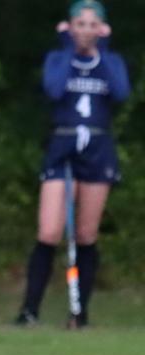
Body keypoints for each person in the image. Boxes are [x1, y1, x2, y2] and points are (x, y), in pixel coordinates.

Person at [14, 0, 128, 328]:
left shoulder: (111, 61)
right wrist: (67, 48)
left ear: (102, 29)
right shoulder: (58, 59)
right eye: (80, 24)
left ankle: (80, 313)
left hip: (98, 146)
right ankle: (29, 311)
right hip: (63, 144)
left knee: (86, 233)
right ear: (70, 27)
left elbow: (120, 92)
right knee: (50, 230)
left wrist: (102, 51)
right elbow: (53, 89)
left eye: (93, 25)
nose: (86, 31)